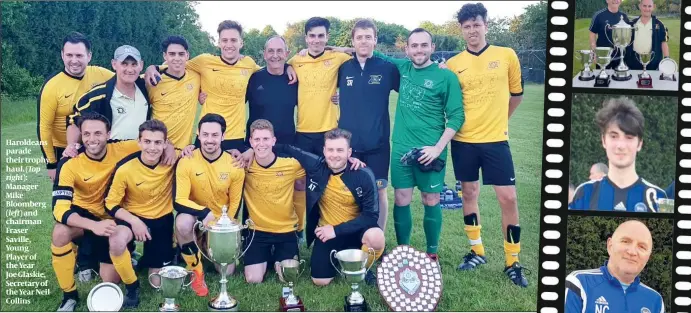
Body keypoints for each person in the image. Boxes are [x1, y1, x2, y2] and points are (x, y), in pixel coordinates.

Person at [50, 112, 173, 311]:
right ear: (80, 135)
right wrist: (93, 225)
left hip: (112, 220)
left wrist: (170, 149)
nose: (92, 139)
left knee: (111, 280)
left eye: (98, 133)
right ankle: (69, 295)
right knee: (60, 232)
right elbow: (59, 209)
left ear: (108, 134)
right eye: (87, 134)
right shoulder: (69, 164)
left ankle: (118, 260)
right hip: (86, 219)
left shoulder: (123, 148)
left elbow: (154, 141)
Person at [445, 3, 527, 287]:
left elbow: (517, 95)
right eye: (466, 27)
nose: (472, 31)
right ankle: (476, 250)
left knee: (509, 198)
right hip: (464, 141)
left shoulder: (506, 55)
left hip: (496, 141)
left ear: (485, 25)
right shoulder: (453, 64)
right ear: (462, 30)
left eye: (476, 25)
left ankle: (512, 260)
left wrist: (499, 121)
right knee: (469, 193)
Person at [243, 128, 383, 286]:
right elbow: (288, 149)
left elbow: (371, 216)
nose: (334, 155)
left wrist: (336, 230)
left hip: (355, 231)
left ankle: (363, 268)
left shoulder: (363, 174)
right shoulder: (316, 166)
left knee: (376, 237)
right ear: (324, 150)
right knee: (320, 281)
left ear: (349, 152)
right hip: (326, 233)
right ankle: (341, 261)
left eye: (340, 150)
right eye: (330, 149)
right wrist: (250, 151)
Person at [373, 28, 464, 262]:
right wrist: (333, 49)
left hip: (431, 150)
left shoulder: (447, 77)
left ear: (432, 48)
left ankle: (431, 252)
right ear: (407, 49)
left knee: (430, 199)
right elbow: (370, 50)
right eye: (414, 46)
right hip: (402, 147)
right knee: (401, 198)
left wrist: (437, 149)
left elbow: (456, 117)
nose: (419, 50)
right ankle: (403, 250)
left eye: (424, 45)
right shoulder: (403, 68)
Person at [145, 20, 296, 152]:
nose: (229, 45)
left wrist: (288, 66)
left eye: (233, 40)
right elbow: (177, 63)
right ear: (218, 43)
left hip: (235, 136)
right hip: (206, 134)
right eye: (224, 40)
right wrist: (153, 68)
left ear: (241, 43)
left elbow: (272, 66)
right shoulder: (204, 61)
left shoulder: (248, 64)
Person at [104, 120, 179, 308]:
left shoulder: (173, 161)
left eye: (157, 142)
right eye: (147, 142)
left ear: (165, 143)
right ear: (139, 142)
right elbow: (110, 203)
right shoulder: (125, 168)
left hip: (161, 220)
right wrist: (134, 221)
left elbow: (196, 153)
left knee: (157, 283)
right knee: (116, 242)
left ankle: (165, 254)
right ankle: (132, 285)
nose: (152, 148)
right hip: (132, 217)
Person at [337, 19, 400, 233]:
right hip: (349, 146)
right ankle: (352, 237)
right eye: (359, 37)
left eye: (368, 37)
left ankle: (378, 239)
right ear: (353, 41)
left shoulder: (388, 69)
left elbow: (412, 82)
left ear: (375, 40)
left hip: (378, 144)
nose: (363, 41)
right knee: (350, 192)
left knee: (379, 191)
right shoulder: (343, 68)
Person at [173, 113, 246, 297]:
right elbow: (179, 200)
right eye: (205, 134)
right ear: (198, 134)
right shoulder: (187, 160)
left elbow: (235, 205)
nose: (209, 140)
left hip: (219, 226)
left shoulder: (234, 164)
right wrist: (204, 213)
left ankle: (206, 250)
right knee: (182, 222)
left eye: (215, 135)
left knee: (227, 271)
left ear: (223, 136)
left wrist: (221, 229)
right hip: (196, 220)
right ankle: (196, 270)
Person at [243, 36, 307, 242]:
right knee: (252, 186)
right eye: (271, 51)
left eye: (280, 51)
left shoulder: (294, 79)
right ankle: (248, 230)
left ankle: (296, 228)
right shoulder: (254, 78)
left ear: (287, 54)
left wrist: (336, 97)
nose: (275, 55)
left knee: (295, 185)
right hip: (257, 144)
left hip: (288, 143)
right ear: (264, 54)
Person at [38, 32, 113, 182]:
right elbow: (43, 127)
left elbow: (130, 78)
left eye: (79, 55)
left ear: (89, 56)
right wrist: (51, 164)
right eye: (69, 55)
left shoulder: (100, 74)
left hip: (96, 147)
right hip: (64, 151)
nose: (74, 61)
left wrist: (157, 69)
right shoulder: (52, 86)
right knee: (65, 199)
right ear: (62, 55)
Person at [570, 97, 667, 211]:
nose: (621, 146)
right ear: (603, 141)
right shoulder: (584, 192)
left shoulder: (660, 198)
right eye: (614, 136)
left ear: (639, 144)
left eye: (629, 137)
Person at [241, 119, 304, 283]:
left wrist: (351, 161)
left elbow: (319, 167)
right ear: (251, 142)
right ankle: (267, 256)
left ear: (274, 141)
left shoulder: (291, 165)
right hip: (258, 231)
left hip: (285, 230)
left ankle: (279, 256)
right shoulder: (244, 165)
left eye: (266, 139)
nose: (261, 144)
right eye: (257, 139)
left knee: (288, 277)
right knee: (253, 279)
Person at [565, 220, 664, 313]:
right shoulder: (579, 284)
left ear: (648, 257)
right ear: (610, 246)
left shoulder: (655, 300)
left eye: (642, 247)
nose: (632, 252)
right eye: (625, 241)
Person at [288, 17, 353, 155]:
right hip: (303, 130)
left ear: (327, 37)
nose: (316, 40)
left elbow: (364, 54)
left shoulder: (338, 57)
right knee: (302, 174)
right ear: (306, 38)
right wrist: (288, 67)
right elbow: (279, 67)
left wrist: (341, 48)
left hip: (330, 130)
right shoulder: (296, 60)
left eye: (320, 36)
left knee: (329, 173)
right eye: (312, 36)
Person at [65, 45, 151, 147]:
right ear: (114, 64)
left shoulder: (147, 87)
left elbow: (168, 69)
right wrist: (71, 146)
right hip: (111, 156)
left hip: (140, 156)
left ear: (141, 65)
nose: (130, 69)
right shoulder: (97, 95)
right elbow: (75, 120)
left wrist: (152, 68)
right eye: (124, 64)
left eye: (134, 64)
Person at [146, 36, 201, 149]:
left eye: (181, 54)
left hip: (184, 150)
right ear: (165, 56)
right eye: (172, 54)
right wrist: (150, 68)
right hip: (158, 147)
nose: (177, 58)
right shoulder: (152, 80)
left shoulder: (196, 77)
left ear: (187, 55)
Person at [625, 0, 670, 71]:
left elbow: (663, 43)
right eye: (644, 6)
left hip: (653, 63)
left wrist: (667, 59)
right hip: (633, 62)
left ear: (653, 7)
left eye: (649, 6)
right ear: (640, 6)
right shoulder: (631, 23)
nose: (647, 9)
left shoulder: (660, 24)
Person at [589, 0, 630, 70]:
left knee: (618, 79)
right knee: (603, 78)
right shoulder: (599, 15)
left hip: (619, 57)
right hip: (603, 56)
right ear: (607, 0)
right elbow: (592, 33)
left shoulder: (624, 17)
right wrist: (594, 52)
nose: (616, 1)